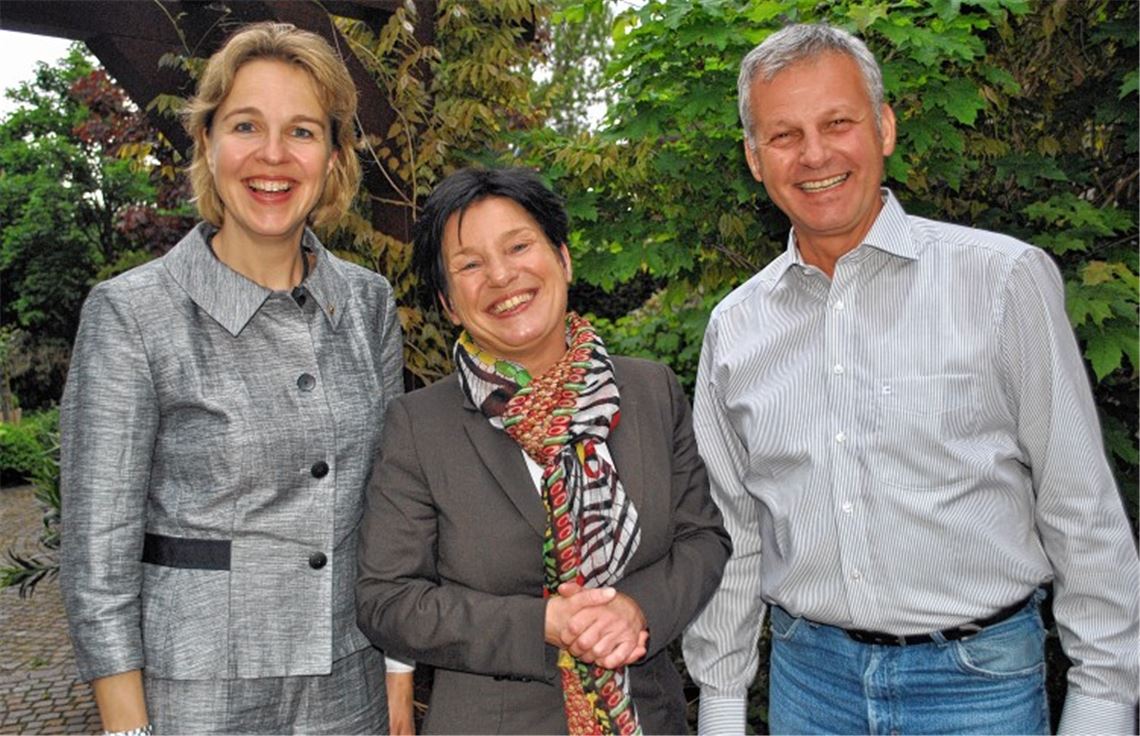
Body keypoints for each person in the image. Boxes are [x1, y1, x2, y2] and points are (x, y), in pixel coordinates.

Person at [682, 22, 1139, 736]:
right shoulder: (735, 329)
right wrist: (720, 703)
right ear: (753, 158)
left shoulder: (1001, 281)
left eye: (838, 122)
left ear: (885, 127)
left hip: (979, 690)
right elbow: (733, 529)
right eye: (783, 135)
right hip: (810, 690)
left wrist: (1104, 705)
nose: (814, 154)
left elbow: (1080, 508)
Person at [60, 22, 414, 735]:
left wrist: (398, 690)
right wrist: (128, 727)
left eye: (304, 131)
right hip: (193, 697)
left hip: (349, 690)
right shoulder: (132, 315)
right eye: (246, 125)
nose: (274, 156)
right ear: (208, 143)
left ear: (335, 156)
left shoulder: (369, 303)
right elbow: (98, 558)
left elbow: (393, 516)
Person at [356, 166, 731, 734]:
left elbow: (702, 539)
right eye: (470, 265)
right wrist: (545, 623)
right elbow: (388, 601)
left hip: (647, 717)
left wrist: (638, 609)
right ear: (449, 303)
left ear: (563, 258)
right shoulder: (419, 426)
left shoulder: (651, 391)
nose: (502, 276)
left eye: (519, 246)